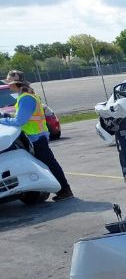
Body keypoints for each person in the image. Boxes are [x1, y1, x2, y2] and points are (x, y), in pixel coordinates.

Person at [1, 70, 73, 201]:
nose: (8, 86)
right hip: (37, 136)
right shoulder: (27, 96)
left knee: (49, 164)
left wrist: (2, 120)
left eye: (9, 83)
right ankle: (62, 189)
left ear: (15, 84)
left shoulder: (25, 98)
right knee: (48, 163)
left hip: (36, 137)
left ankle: (65, 190)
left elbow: (20, 121)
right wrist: (8, 117)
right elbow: (22, 117)